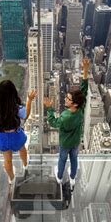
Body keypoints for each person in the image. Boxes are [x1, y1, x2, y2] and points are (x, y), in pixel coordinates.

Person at [0, 63, 36, 184]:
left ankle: (11, 178)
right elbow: (27, 115)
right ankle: (25, 165)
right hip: (16, 137)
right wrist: (29, 100)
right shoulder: (16, 109)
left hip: (1, 138)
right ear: (13, 94)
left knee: (7, 160)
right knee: (22, 149)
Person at [44, 58, 90, 188]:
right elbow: (84, 89)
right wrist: (85, 71)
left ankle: (59, 177)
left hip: (65, 143)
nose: (65, 99)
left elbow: (53, 122)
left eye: (68, 99)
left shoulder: (65, 116)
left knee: (62, 160)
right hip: (75, 142)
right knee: (74, 160)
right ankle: (73, 177)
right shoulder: (81, 108)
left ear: (74, 103)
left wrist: (50, 108)